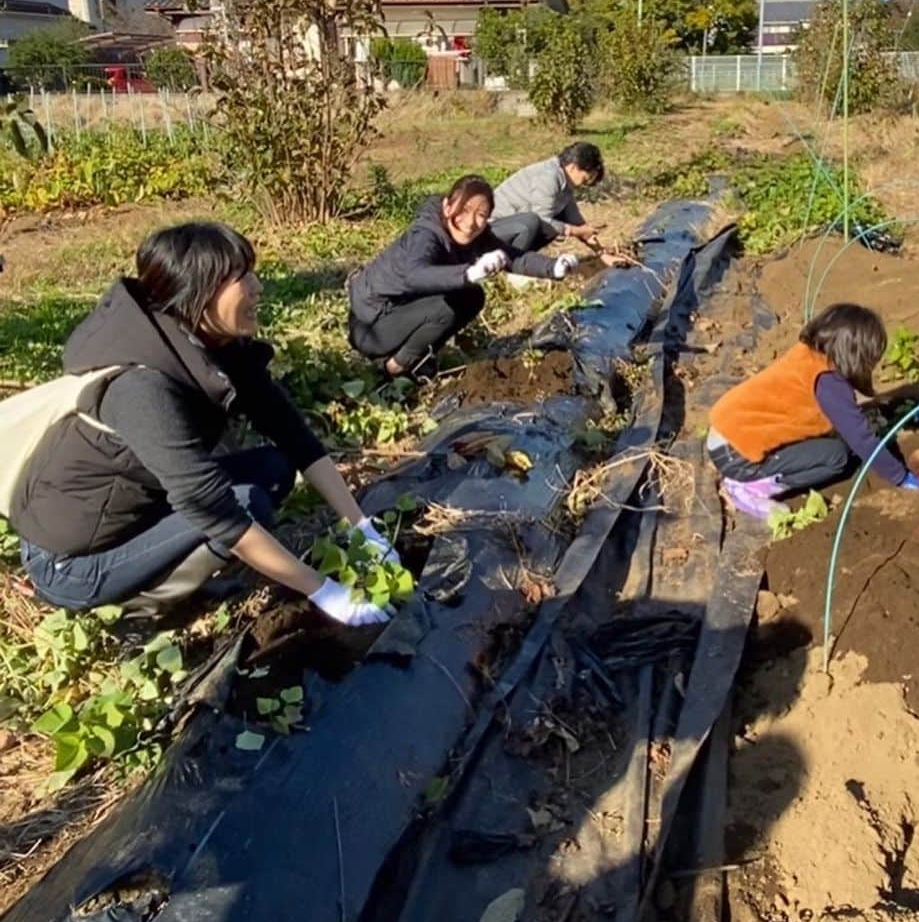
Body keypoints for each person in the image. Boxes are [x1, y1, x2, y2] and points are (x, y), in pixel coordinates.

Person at [10, 222, 398, 626]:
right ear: (196, 294)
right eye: (240, 278)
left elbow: (292, 434)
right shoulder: (141, 387)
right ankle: (143, 608)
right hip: (71, 563)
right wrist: (323, 591)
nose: (257, 287)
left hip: (141, 508)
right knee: (246, 504)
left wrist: (361, 526)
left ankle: (170, 565)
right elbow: (213, 508)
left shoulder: (215, 345)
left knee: (275, 466)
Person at [706, 303, 919, 519]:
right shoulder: (828, 381)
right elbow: (862, 440)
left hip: (727, 432)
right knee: (836, 457)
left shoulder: (809, 355)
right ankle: (748, 489)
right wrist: (901, 477)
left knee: (831, 445)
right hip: (736, 453)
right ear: (857, 356)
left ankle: (751, 475)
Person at [348, 174, 578, 376]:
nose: (470, 223)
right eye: (465, 210)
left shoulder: (479, 235)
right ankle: (393, 368)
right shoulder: (427, 235)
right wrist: (468, 273)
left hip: (403, 313)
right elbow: (414, 275)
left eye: (481, 214)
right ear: (447, 206)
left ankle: (421, 357)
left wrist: (553, 267)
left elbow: (513, 257)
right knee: (447, 305)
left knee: (471, 297)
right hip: (372, 326)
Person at [490, 142, 621, 268]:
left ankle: (519, 262)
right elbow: (542, 219)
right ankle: (513, 265)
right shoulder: (549, 177)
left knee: (558, 221)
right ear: (573, 167)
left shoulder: (566, 187)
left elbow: (578, 224)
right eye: (585, 179)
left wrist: (602, 254)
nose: (583, 185)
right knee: (533, 222)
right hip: (493, 232)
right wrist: (574, 231)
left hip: (515, 230)